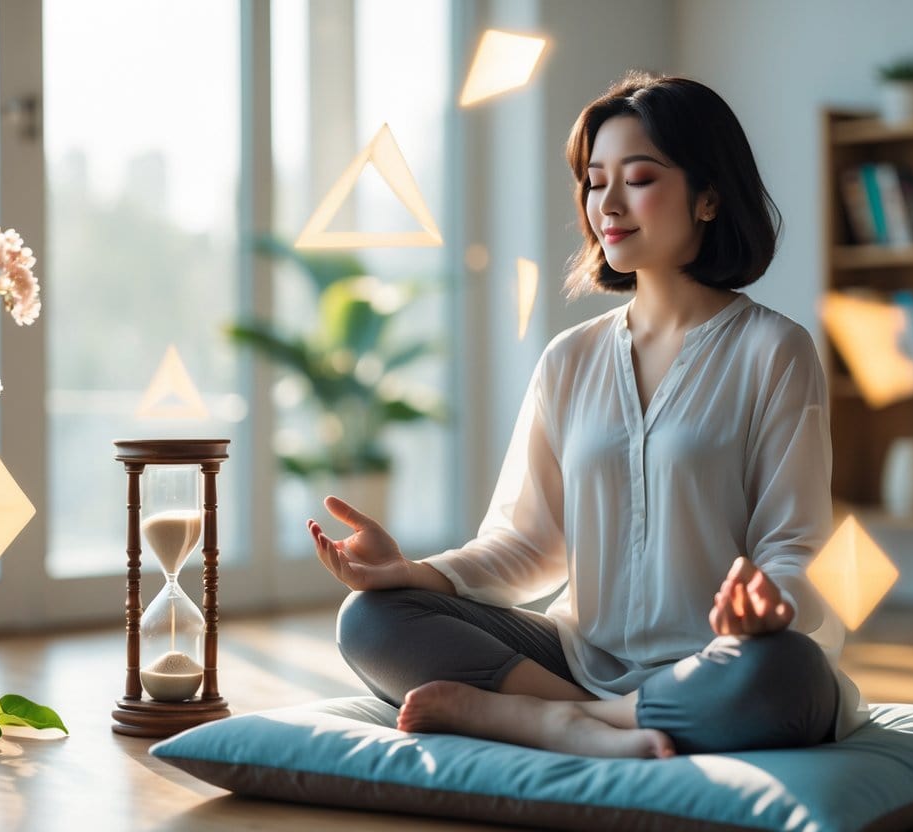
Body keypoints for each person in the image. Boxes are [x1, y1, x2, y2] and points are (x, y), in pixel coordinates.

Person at [306, 70, 866, 759]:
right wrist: (410, 573)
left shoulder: (773, 350)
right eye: (595, 180)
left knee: (791, 678)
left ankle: (533, 720)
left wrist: (770, 608)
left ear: (709, 197)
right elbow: (526, 545)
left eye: (638, 177)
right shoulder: (568, 358)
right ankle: (576, 717)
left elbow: (791, 540)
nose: (607, 202)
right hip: (577, 659)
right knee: (370, 618)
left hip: (724, 661)